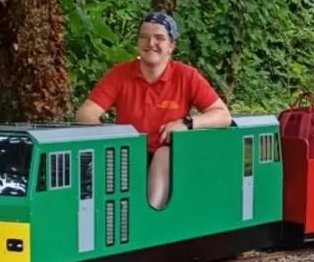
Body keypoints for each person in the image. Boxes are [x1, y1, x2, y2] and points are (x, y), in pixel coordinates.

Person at [74, 11, 231, 209]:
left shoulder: (186, 76)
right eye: (144, 37)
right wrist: (109, 138)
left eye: (159, 38)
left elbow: (223, 115)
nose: (151, 43)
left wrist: (187, 123)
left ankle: (151, 218)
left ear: (171, 45)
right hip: (127, 153)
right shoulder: (119, 74)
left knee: (163, 155)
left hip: (170, 154)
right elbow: (85, 114)